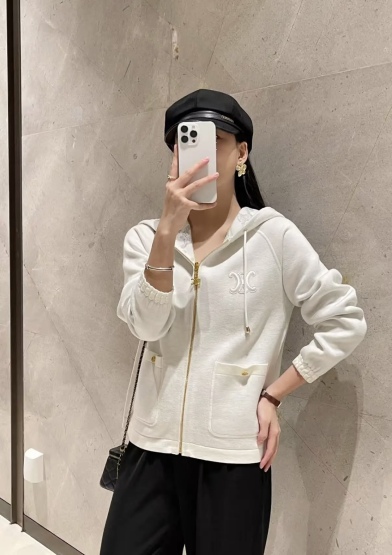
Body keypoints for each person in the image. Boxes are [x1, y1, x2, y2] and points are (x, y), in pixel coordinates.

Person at [99, 89, 367, 555]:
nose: (196, 156)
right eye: (184, 143)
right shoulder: (146, 238)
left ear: (241, 153)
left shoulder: (273, 237)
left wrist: (273, 394)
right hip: (150, 449)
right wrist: (167, 229)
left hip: (233, 458)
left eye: (214, 141)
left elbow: (345, 319)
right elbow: (145, 327)